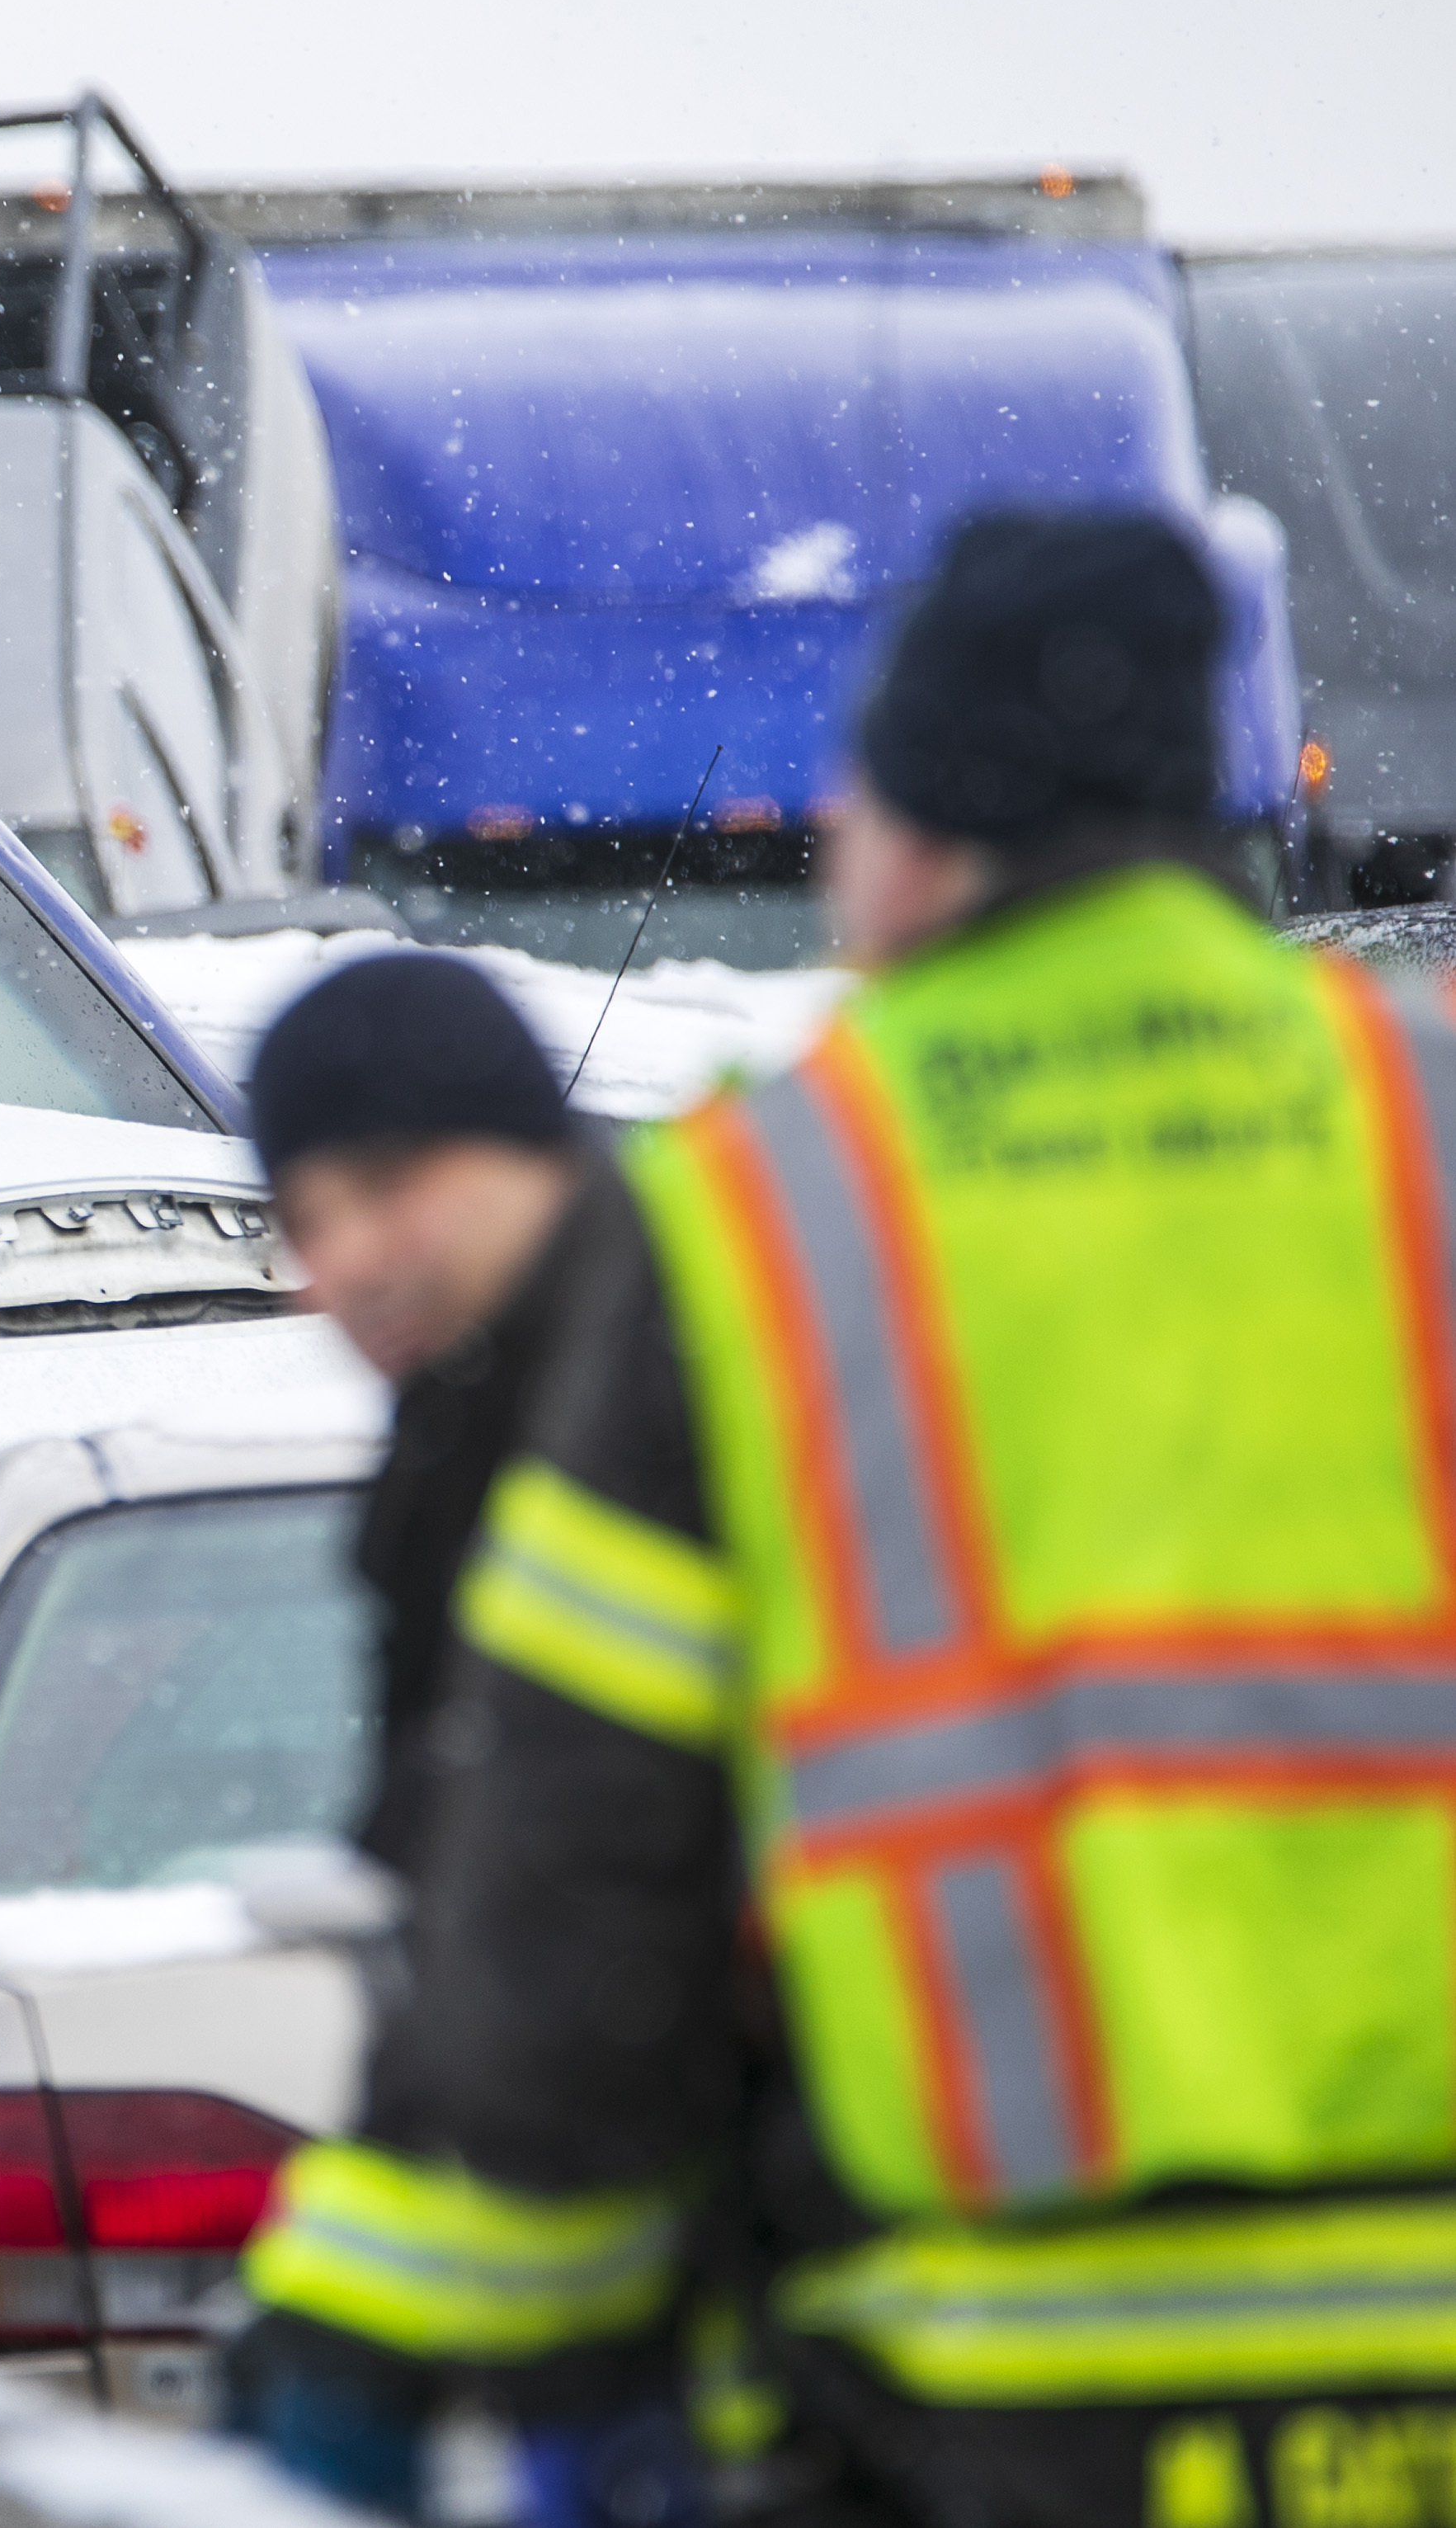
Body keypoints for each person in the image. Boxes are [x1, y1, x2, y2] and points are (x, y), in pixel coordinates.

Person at [231, 506, 1456, 2526]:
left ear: (915, 831)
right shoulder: (1421, 1128)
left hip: (979, 2396)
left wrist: (429, 2326)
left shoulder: (767, 1214)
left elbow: (579, 1877)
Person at [247, 953, 596, 1879]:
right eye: (306, 1222)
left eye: (385, 1181)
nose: (348, 1261)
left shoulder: (710, 1381)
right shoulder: (444, 1450)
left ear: (535, 1153)